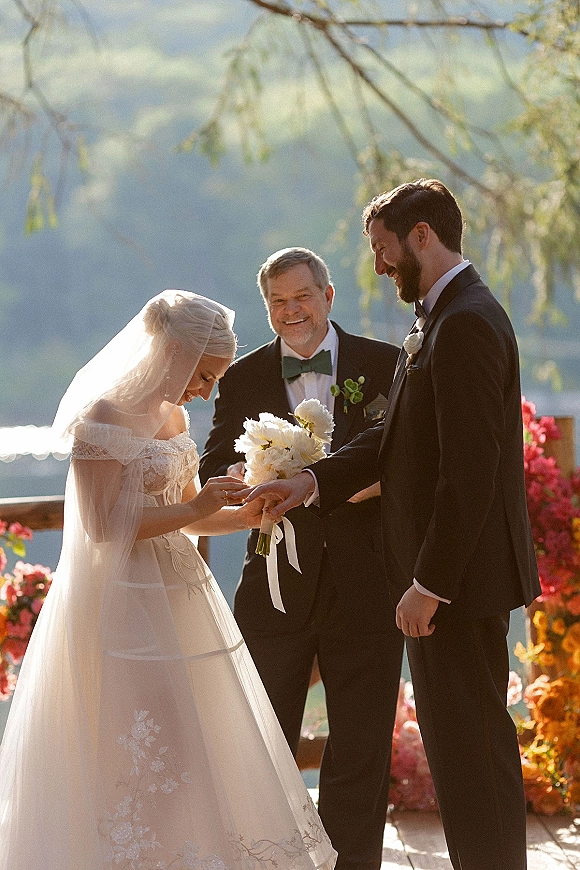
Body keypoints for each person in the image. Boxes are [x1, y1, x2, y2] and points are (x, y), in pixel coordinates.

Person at [243, 183, 541, 870]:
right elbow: (393, 442)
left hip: (456, 585)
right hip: (445, 581)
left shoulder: (465, 321)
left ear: (423, 236)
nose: (379, 264)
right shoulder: (440, 318)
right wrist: (311, 480)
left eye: (383, 248)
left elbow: (470, 472)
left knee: (473, 753)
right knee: (459, 751)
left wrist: (430, 583)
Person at [0, 290, 337, 870]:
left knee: (190, 742)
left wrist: (245, 514)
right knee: (132, 743)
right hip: (120, 603)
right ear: (175, 352)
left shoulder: (174, 417)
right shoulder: (102, 419)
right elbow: (105, 526)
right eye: (204, 375)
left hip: (180, 598)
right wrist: (192, 508)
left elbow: (191, 513)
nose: (206, 391)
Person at [199, 248, 404, 870]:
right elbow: (211, 465)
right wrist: (246, 474)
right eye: (278, 303)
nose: (292, 312)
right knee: (262, 742)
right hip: (271, 586)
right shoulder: (242, 375)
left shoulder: (386, 364)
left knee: (362, 747)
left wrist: (318, 481)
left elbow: (400, 460)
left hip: (367, 583)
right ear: (267, 309)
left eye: (302, 297)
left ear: (329, 296)